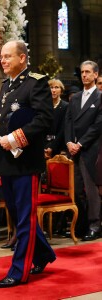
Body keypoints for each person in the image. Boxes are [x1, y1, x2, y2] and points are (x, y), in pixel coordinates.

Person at [0, 40, 56, 288]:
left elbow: (44, 119)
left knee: (25, 218)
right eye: (2, 57)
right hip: (7, 159)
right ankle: (44, 254)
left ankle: (19, 271)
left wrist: (15, 138)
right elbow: (2, 120)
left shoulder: (36, 81)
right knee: (19, 214)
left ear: (22, 58)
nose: (3, 60)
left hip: (26, 162)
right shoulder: (7, 84)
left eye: (8, 56)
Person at [65, 60, 102, 241]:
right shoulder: (76, 97)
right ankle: (80, 224)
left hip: (91, 150)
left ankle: (95, 225)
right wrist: (69, 142)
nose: (84, 75)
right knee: (77, 190)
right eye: (82, 72)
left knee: (91, 189)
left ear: (96, 75)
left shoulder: (100, 97)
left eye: (88, 72)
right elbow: (69, 122)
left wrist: (80, 143)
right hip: (74, 150)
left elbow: (98, 126)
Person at [44, 79, 68, 159]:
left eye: (56, 87)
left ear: (61, 90)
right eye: (51, 87)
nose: (53, 90)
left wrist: (52, 147)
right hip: (43, 145)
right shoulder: (43, 106)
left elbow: (63, 129)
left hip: (59, 146)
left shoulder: (66, 106)